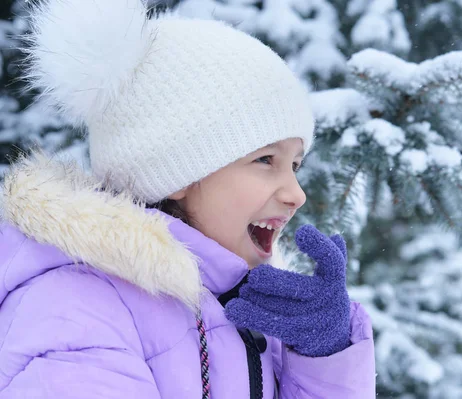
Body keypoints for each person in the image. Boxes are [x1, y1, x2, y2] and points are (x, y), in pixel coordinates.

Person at [0, 0, 376, 398]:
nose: (296, 194)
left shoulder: (246, 311)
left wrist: (324, 359)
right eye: (265, 159)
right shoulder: (73, 312)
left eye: (295, 165)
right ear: (176, 173)